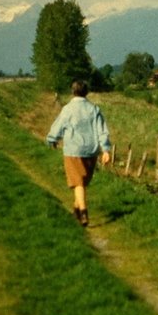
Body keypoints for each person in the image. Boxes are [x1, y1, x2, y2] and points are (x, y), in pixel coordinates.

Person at [46, 80, 112, 227]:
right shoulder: (94, 109)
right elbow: (102, 130)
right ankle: (76, 212)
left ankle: (83, 212)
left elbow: (59, 125)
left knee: (78, 182)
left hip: (73, 151)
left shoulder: (68, 109)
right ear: (86, 92)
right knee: (81, 183)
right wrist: (105, 149)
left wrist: (52, 139)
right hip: (91, 151)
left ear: (72, 92)